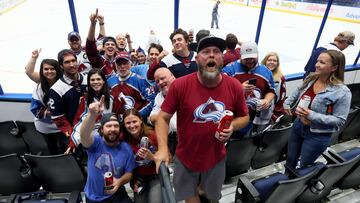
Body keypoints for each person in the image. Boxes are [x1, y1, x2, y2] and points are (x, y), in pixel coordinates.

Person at [154, 35, 249, 202]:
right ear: (197, 59)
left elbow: (245, 117)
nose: (211, 55)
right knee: (189, 197)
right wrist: (162, 148)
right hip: (185, 158)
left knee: (211, 197)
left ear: (222, 59)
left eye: (216, 52)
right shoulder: (180, 85)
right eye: (206, 52)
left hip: (216, 158)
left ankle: (202, 189)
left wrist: (232, 126)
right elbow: (162, 118)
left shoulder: (234, 86)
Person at [284, 50, 351, 169]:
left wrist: (311, 115)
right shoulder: (311, 78)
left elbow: (339, 120)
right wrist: (287, 103)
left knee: (305, 166)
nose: (317, 64)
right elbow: (299, 90)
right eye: (317, 61)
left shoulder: (342, 92)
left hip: (317, 135)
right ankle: (287, 181)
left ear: (334, 67)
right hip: (298, 126)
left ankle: (299, 186)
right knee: (290, 159)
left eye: (322, 62)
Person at [80, 99, 135, 203]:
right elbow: (83, 135)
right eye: (108, 126)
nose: (113, 129)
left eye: (116, 126)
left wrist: (119, 182)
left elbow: (129, 173)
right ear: (101, 130)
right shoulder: (95, 143)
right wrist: (92, 115)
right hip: (94, 198)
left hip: (117, 194)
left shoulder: (126, 148)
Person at [222, 41, 275, 134]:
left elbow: (270, 91)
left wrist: (267, 100)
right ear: (240, 56)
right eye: (246, 59)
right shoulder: (230, 69)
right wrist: (239, 88)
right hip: (230, 118)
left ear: (257, 55)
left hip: (250, 119)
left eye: (252, 58)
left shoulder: (266, 72)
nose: (250, 61)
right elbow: (219, 90)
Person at [48, 49, 87, 152]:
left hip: (92, 129)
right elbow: (58, 117)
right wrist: (73, 135)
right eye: (67, 62)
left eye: (73, 60)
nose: (72, 64)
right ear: (61, 65)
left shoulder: (89, 80)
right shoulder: (56, 89)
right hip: (73, 133)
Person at [122, 108, 162, 203]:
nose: (132, 125)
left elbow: (168, 157)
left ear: (140, 120)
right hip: (139, 177)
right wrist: (133, 181)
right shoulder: (123, 139)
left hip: (155, 175)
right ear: (124, 124)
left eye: (134, 121)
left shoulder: (153, 135)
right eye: (128, 123)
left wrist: (152, 157)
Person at [29, 49, 64, 155]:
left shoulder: (65, 84)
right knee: (52, 149)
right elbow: (35, 109)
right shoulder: (39, 88)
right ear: (42, 71)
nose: (49, 71)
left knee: (66, 148)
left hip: (63, 124)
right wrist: (52, 111)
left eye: (52, 69)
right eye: (46, 69)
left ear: (57, 69)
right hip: (46, 126)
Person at [70, 68, 113, 149]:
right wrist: (73, 142)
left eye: (98, 79)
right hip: (92, 138)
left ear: (104, 81)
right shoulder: (85, 99)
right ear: (89, 82)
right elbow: (80, 120)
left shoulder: (113, 96)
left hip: (111, 136)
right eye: (92, 80)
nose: (96, 82)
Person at [107, 51, 156, 122]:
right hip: (117, 123)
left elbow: (151, 100)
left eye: (125, 63)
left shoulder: (140, 80)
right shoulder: (110, 81)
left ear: (130, 64)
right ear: (115, 65)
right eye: (119, 64)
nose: (122, 66)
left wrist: (138, 115)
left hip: (136, 123)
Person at [148, 68, 177, 155]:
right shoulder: (159, 96)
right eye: (157, 81)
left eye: (162, 78)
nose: (160, 82)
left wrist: (162, 118)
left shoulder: (185, 89)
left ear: (172, 76)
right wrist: (163, 118)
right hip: (170, 140)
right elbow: (151, 118)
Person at [86, 10, 117, 78]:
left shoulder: (120, 61)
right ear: (103, 48)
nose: (110, 46)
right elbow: (90, 45)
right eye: (107, 44)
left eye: (112, 44)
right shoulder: (98, 60)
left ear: (116, 48)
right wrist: (93, 24)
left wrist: (102, 23)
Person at [261, 52, 286, 122]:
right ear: (265, 61)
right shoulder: (258, 74)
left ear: (277, 63)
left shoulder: (280, 78)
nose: (272, 62)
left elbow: (281, 97)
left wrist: (276, 114)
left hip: (268, 113)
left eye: (274, 61)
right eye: (269, 60)